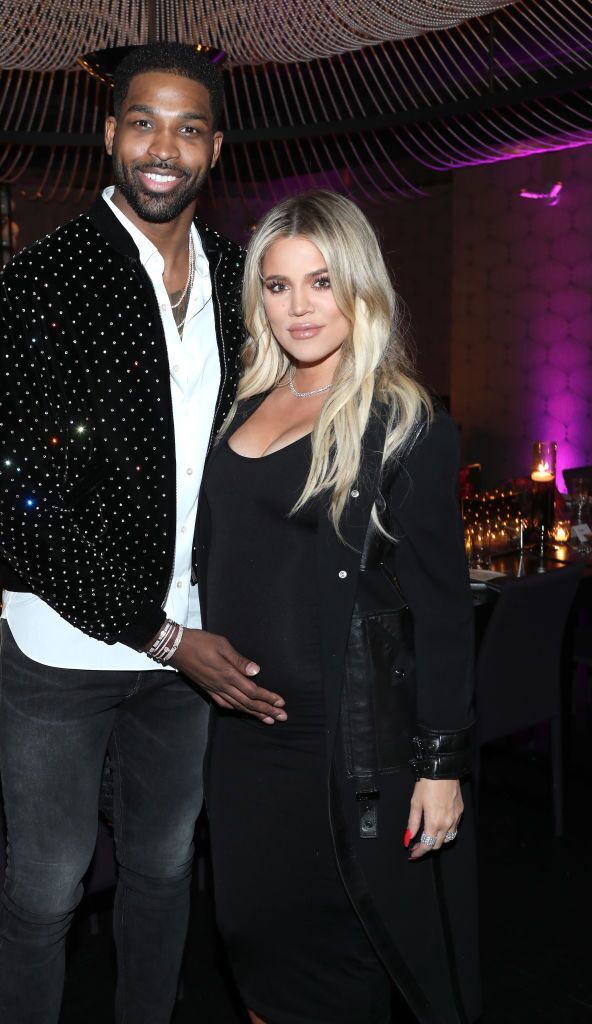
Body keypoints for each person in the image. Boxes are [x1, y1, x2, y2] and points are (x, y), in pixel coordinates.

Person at [0, 42, 284, 1024]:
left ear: (215, 148)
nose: (163, 146)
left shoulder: (243, 284)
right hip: (65, 649)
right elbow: (22, 513)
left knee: (160, 870)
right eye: (142, 121)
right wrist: (164, 636)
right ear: (108, 134)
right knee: (48, 887)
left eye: (188, 127)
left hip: (197, 645)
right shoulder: (42, 283)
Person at [196, 190, 480, 1024]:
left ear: (360, 287)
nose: (299, 307)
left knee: (342, 972)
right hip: (241, 748)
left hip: (344, 754)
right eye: (278, 287)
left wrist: (440, 765)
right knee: (251, 948)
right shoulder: (239, 410)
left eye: (321, 282)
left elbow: (444, 613)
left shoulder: (404, 424)